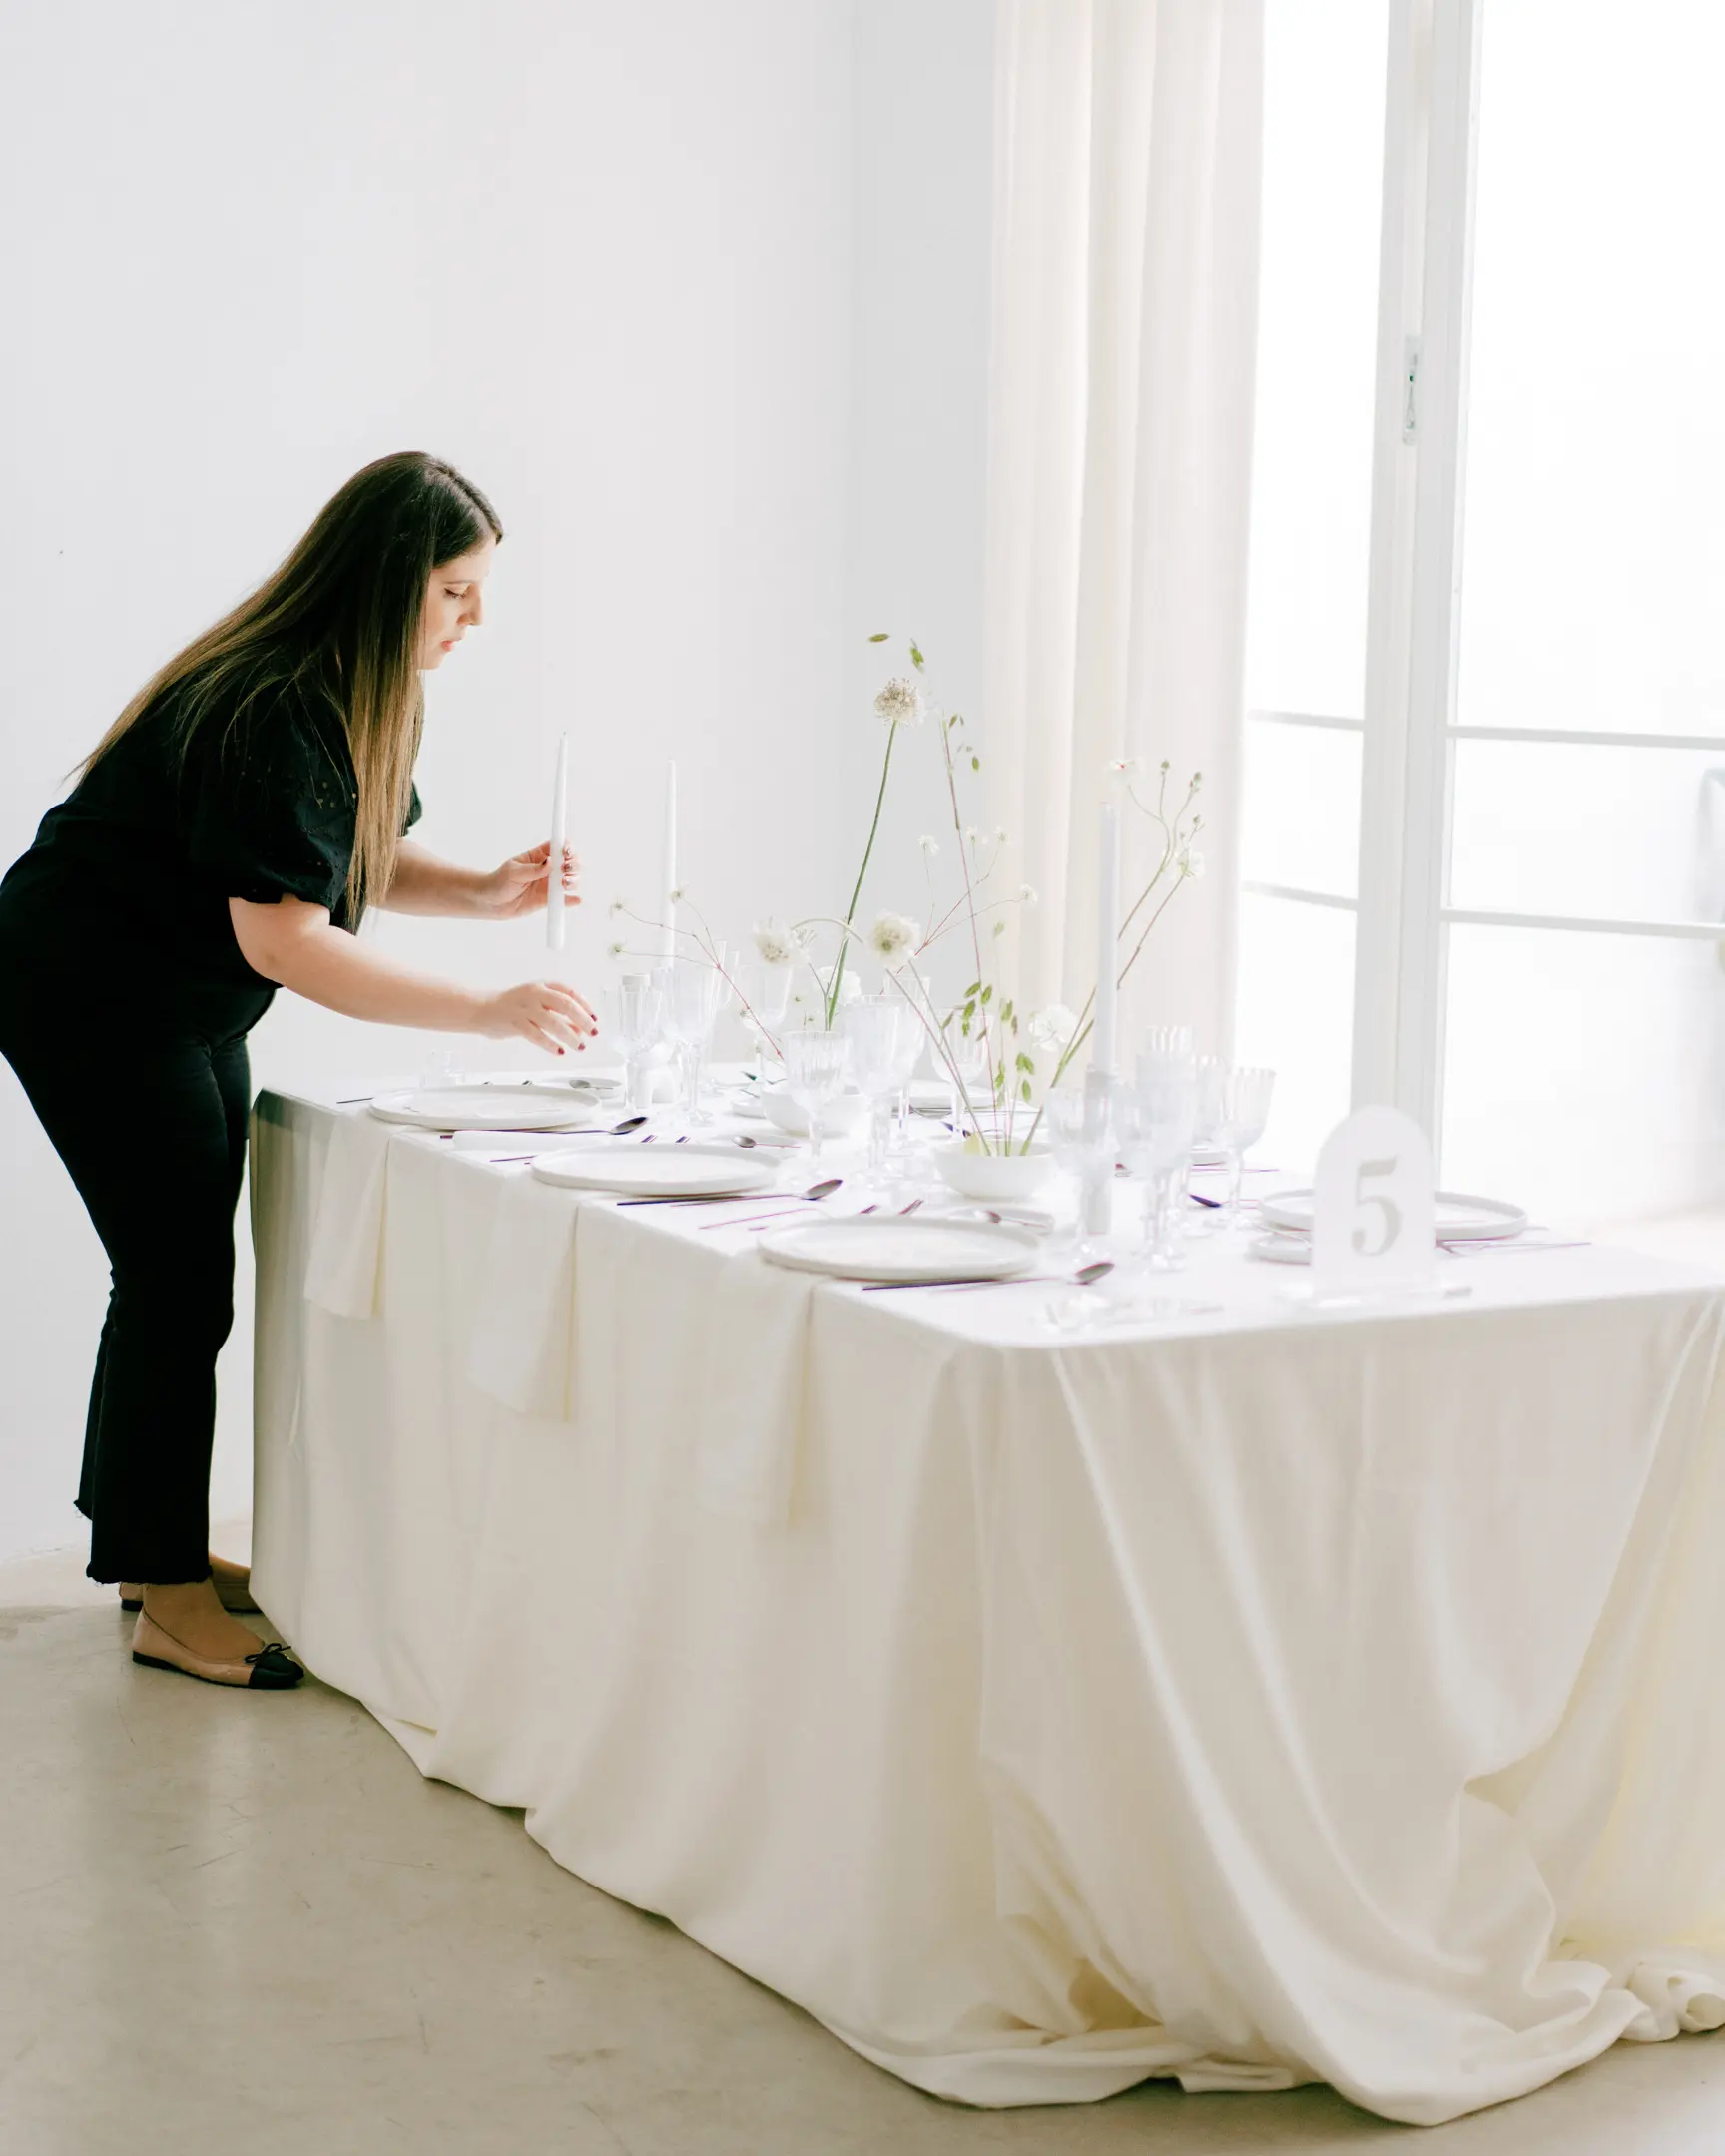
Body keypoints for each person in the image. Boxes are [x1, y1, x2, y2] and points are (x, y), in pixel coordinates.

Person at [0, 451, 597, 1690]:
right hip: (92, 993)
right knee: (176, 1282)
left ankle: (148, 1552)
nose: (476, 618)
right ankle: (169, 1595)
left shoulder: (358, 692)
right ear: (387, 583)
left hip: (174, 994)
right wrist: (487, 1011)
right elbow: (288, 939)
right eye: (456, 590)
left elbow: (337, 854)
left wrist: (487, 892)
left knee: (175, 1276)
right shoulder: (273, 704)